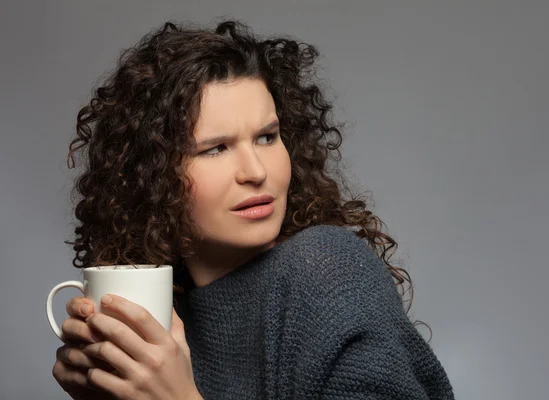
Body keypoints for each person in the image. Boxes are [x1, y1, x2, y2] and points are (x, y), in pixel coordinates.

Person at [52, 20, 455, 400]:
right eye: (216, 148)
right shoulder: (167, 324)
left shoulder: (327, 273)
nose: (256, 171)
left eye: (266, 137)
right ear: (151, 176)